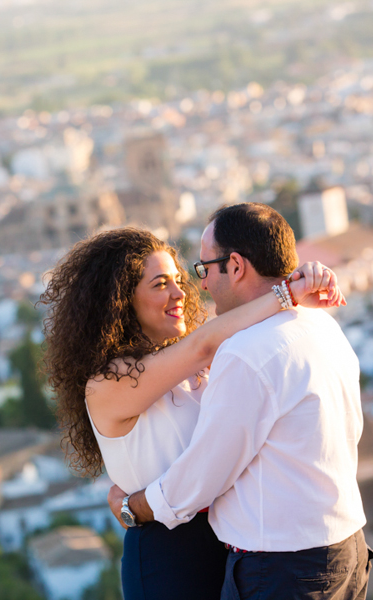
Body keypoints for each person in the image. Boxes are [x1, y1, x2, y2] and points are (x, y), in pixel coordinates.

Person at [39, 224, 343, 600]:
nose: (180, 293)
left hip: (233, 541)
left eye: (177, 280)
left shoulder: (197, 360)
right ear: (119, 301)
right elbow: (206, 343)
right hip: (169, 556)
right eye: (159, 284)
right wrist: (289, 293)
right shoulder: (107, 383)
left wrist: (309, 285)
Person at [108, 203, 373, 600]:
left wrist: (136, 506)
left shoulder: (247, 352)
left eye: (205, 269)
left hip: (284, 569)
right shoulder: (323, 325)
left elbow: (203, 474)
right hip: (348, 550)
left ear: (235, 266)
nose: (200, 286)